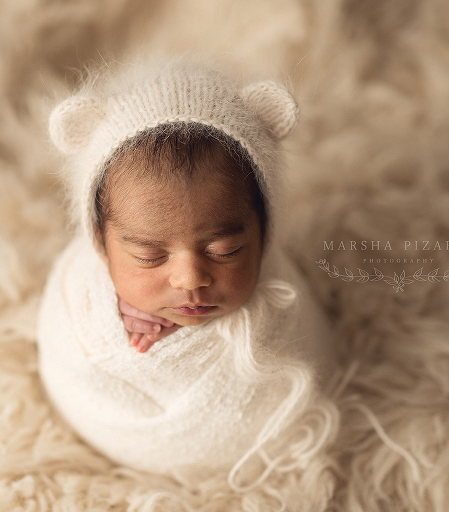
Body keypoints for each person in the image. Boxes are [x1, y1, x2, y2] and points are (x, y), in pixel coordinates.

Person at [38, 58, 335, 487]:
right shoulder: (79, 304)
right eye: (149, 256)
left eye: (226, 249)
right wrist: (114, 316)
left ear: (264, 229)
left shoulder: (279, 297)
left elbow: (311, 354)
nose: (190, 278)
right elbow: (70, 362)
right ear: (100, 241)